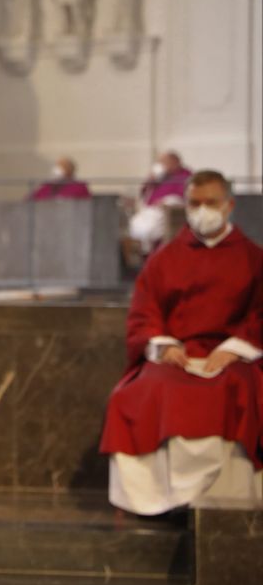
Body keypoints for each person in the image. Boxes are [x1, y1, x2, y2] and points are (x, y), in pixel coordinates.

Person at [101, 170, 262, 514]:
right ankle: (162, 499)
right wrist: (162, 344)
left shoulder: (253, 259)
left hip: (234, 359)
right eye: (195, 203)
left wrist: (234, 349)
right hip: (179, 356)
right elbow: (145, 310)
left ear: (230, 205)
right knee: (144, 391)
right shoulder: (165, 258)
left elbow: (260, 315)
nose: (202, 210)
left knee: (237, 388)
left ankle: (225, 501)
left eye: (211, 203)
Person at [128, 151, 192, 256]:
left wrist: (167, 201)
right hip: (151, 211)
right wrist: (150, 180)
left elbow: (185, 197)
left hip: (171, 214)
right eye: (159, 162)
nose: (160, 165)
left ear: (175, 162)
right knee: (138, 227)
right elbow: (144, 194)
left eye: (163, 162)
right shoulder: (161, 177)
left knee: (150, 229)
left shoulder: (185, 175)